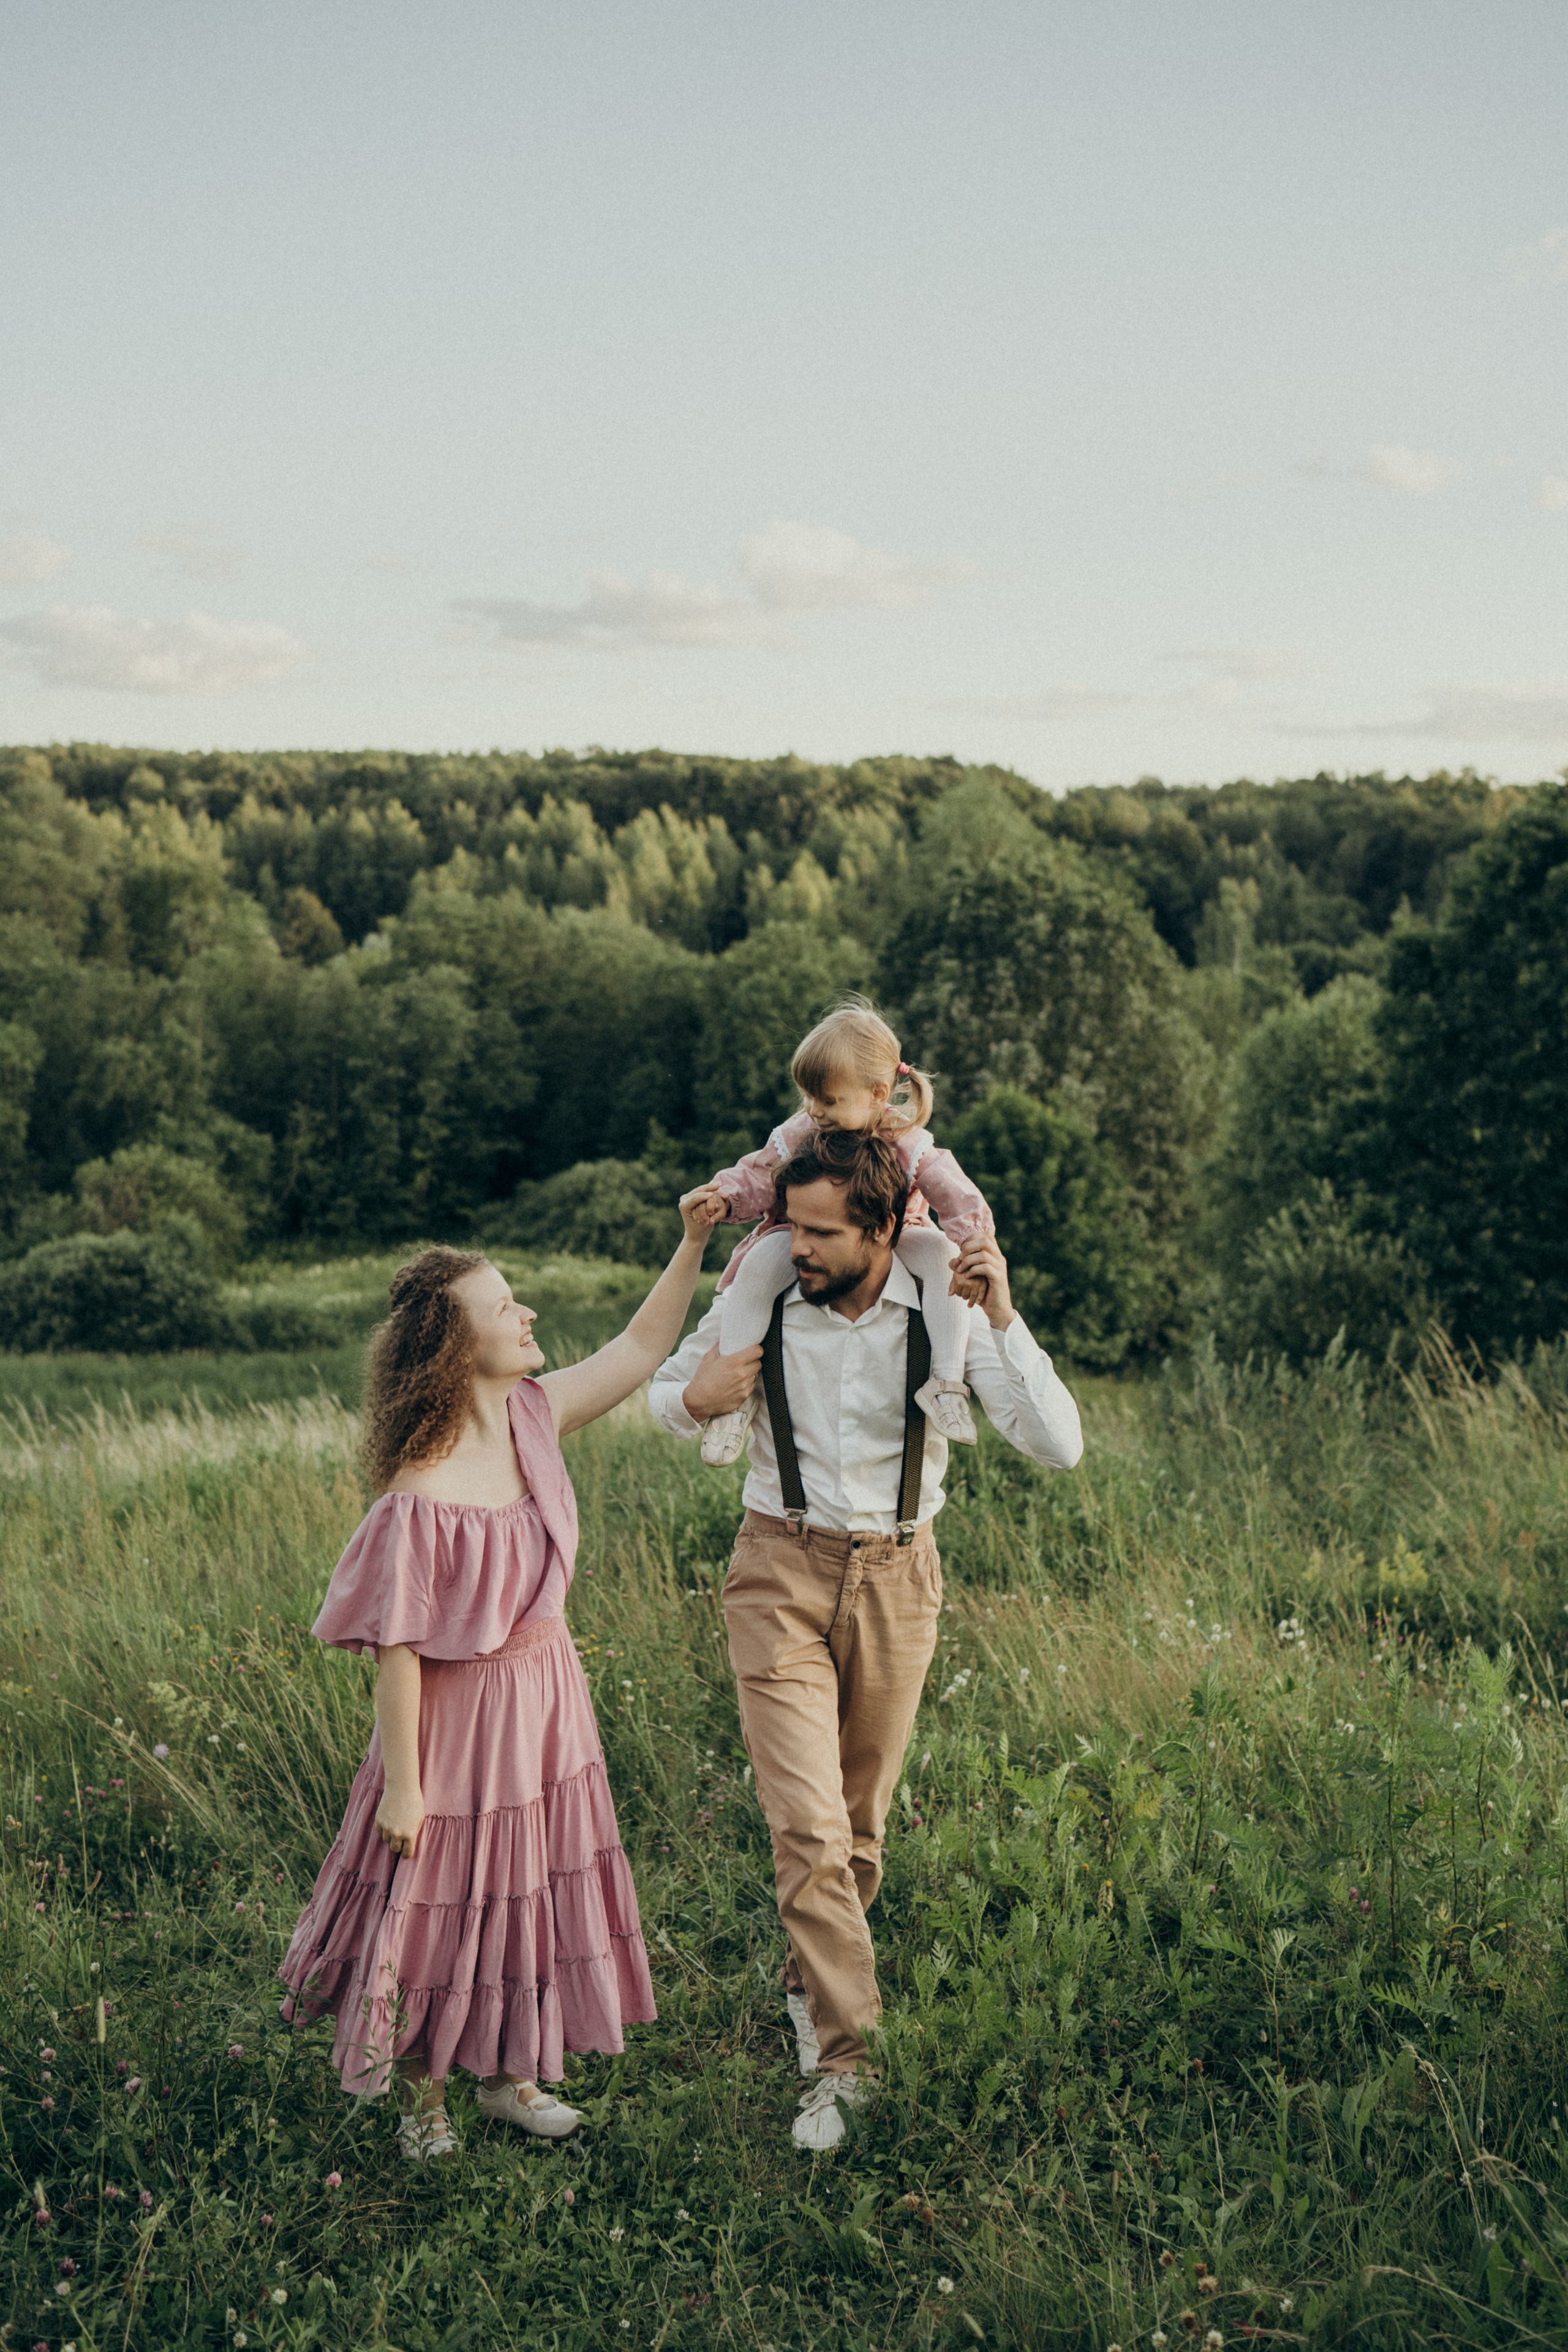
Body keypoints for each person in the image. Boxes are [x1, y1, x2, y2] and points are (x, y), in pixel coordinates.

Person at [649, 1126, 1082, 2152]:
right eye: (789, 1224)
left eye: (818, 1230)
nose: (793, 1244)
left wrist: (1006, 1314)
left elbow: (1057, 1446)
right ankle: (847, 2061)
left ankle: (811, 1983)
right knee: (806, 1827)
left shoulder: (945, 1308)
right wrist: (693, 1402)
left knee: (856, 1829)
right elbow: (670, 1387)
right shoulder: (761, 1296)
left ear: (885, 1227)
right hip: (777, 1569)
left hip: (898, 1573)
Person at [277, 1195, 717, 2162]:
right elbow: (396, 1652)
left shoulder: (533, 1413)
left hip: (549, 1700)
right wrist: (404, 1782)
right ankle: (424, 2098)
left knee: (532, 1888)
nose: (526, 1316)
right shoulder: (418, 1493)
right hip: (460, 1725)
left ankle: (510, 2077)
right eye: (503, 1307)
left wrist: (694, 1242)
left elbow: (642, 1347)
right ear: (452, 1347)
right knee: (451, 1896)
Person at [695, 998, 996, 1464]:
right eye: (810, 1098)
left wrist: (975, 1244)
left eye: (829, 1100)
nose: (815, 1111)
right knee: (756, 1268)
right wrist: (727, 1196)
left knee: (940, 1254)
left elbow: (955, 1193)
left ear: (878, 1093)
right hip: (803, 1229)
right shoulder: (801, 1132)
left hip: (900, 1233)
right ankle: (732, 1405)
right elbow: (759, 1173)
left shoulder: (906, 1139)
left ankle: (946, 1384)